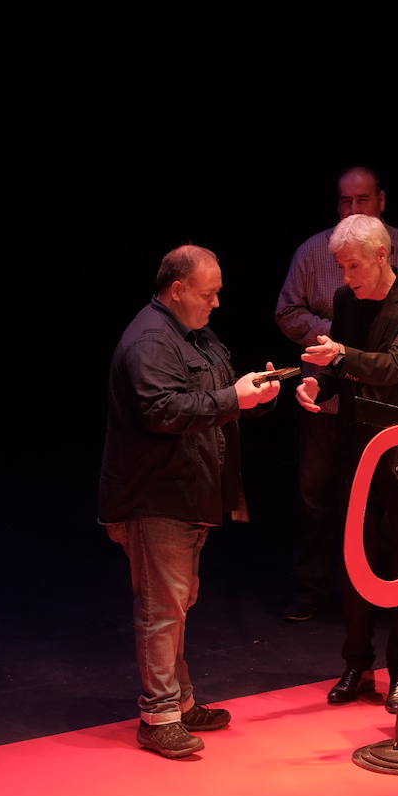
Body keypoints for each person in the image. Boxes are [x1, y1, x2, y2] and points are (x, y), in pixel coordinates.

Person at [98, 244, 281, 759]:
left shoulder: (190, 334)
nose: (217, 302)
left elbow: (214, 395)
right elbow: (162, 411)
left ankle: (178, 702)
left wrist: (255, 395)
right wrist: (234, 400)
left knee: (176, 605)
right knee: (162, 608)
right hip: (156, 495)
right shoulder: (150, 341)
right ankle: (158, 716)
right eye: (209, 293)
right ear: (177, 290)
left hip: (185, 492)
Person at [274, 165, 398, 622]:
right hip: (346, 406)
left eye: (363, 200)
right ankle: (325, 602)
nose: (352, 208)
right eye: (345, 201)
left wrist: (349, 352)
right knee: (324, 498)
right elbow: (289, 313)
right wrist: (322, 370)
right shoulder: (335, 282)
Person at [295, 214, 398, 714]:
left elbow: (395, 368)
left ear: (382, 256)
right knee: (354, 557)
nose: (346, 277)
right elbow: (342, 369)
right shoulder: (345, 300)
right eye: (341, 267)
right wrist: (319, 384)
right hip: (357, 446)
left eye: (353, 266)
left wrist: (337, 360)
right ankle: (356, 665)